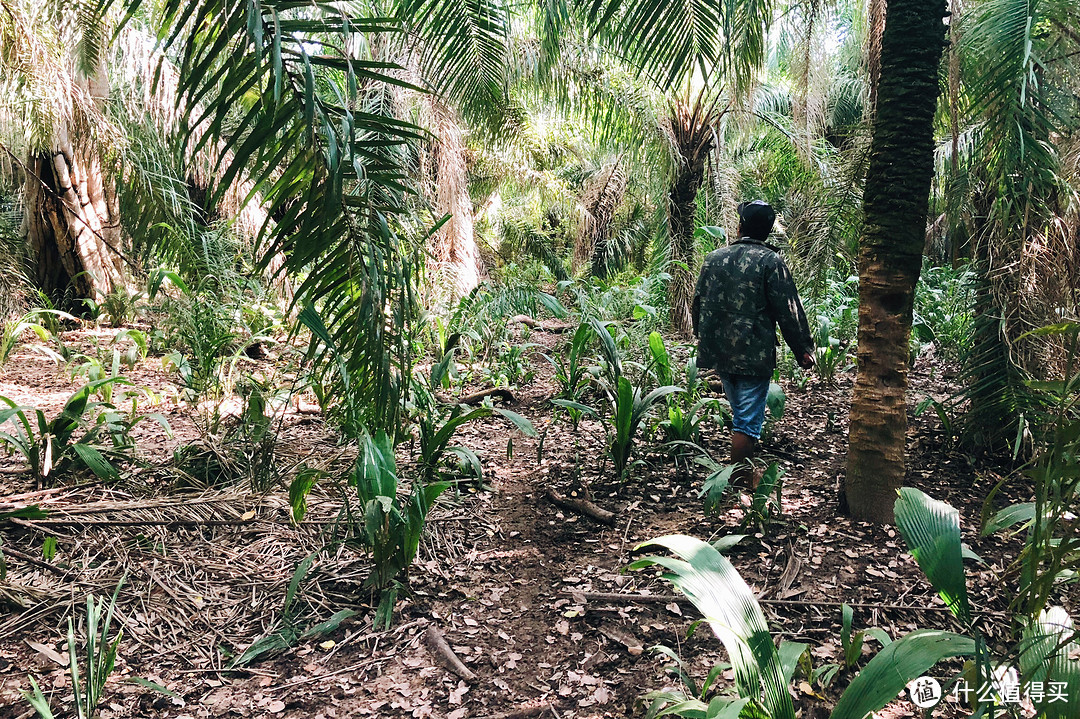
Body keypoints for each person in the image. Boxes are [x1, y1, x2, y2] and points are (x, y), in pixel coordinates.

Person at [692, 200, 815, 487]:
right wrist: (804, 350)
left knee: (741, 414)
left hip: (720, 352)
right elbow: (789, 309)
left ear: (740, 226)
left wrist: (704, 337)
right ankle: (741, 479)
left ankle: (741, 473)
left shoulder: (713, 258)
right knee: (747, 422)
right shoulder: (771, 262)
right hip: (753, 354)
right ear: (768, 231)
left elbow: (698, 303)